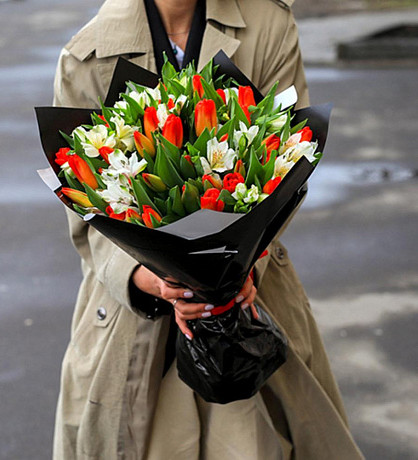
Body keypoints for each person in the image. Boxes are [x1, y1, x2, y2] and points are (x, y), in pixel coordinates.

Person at [52, 0, 365, 458]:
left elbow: (290, 155)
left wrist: (239, 268)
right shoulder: (85, 56)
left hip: (251, 297)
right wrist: (154, 279)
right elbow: (86, 217)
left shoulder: (269, 24)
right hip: (134, 315)